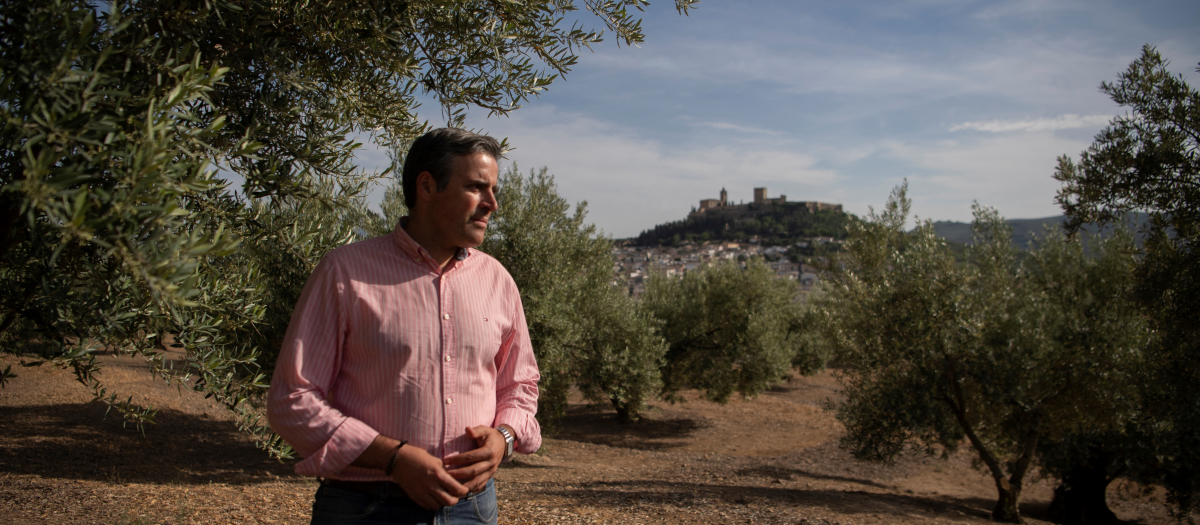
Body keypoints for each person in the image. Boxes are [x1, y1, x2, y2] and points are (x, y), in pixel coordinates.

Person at [267, 128, 541, 525]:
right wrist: (394, 458)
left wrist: (505, 438)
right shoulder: (345, 272)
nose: (492, 204)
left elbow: (520, 386)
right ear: (427, 186)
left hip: (474, 509)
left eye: (493, 189)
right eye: (477, 188)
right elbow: (292, 399)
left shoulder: (497, 280)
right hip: (366, 508)